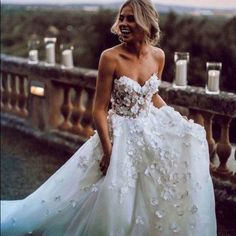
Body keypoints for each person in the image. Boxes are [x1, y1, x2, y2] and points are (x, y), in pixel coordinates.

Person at [1, 0, 217, 235]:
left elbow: (152, 96)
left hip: (149, 132)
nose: (123, 23)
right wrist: (108, 149)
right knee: (113, 197)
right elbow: (99, 109)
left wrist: (176, 120)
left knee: (151, 193)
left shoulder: (159, 56)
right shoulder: (110, 57)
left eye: (130, 18)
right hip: (119, 134)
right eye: (122, 18)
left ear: (146, 21)